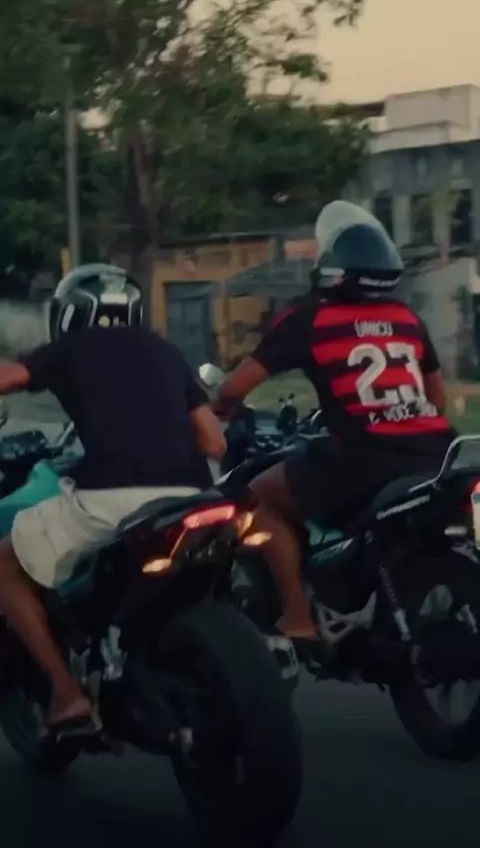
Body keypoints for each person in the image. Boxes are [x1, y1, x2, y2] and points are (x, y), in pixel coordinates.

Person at [214, 201, 455, 649]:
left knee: (255, 497)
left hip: (366, 456)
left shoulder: (310, 320)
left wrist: (221, 406)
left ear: (333, 268)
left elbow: (235, 387)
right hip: (439, 453)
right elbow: (436, 399)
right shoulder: (407, 319)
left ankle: (297, 617)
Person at [0, 264, 226, 739]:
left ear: (69, 313)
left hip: (111, 497)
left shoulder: (70, 348)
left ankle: (67, 695)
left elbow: (10, 378)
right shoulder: (166, 351)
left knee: (4, 565)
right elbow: (214, 442)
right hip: (191, 494)